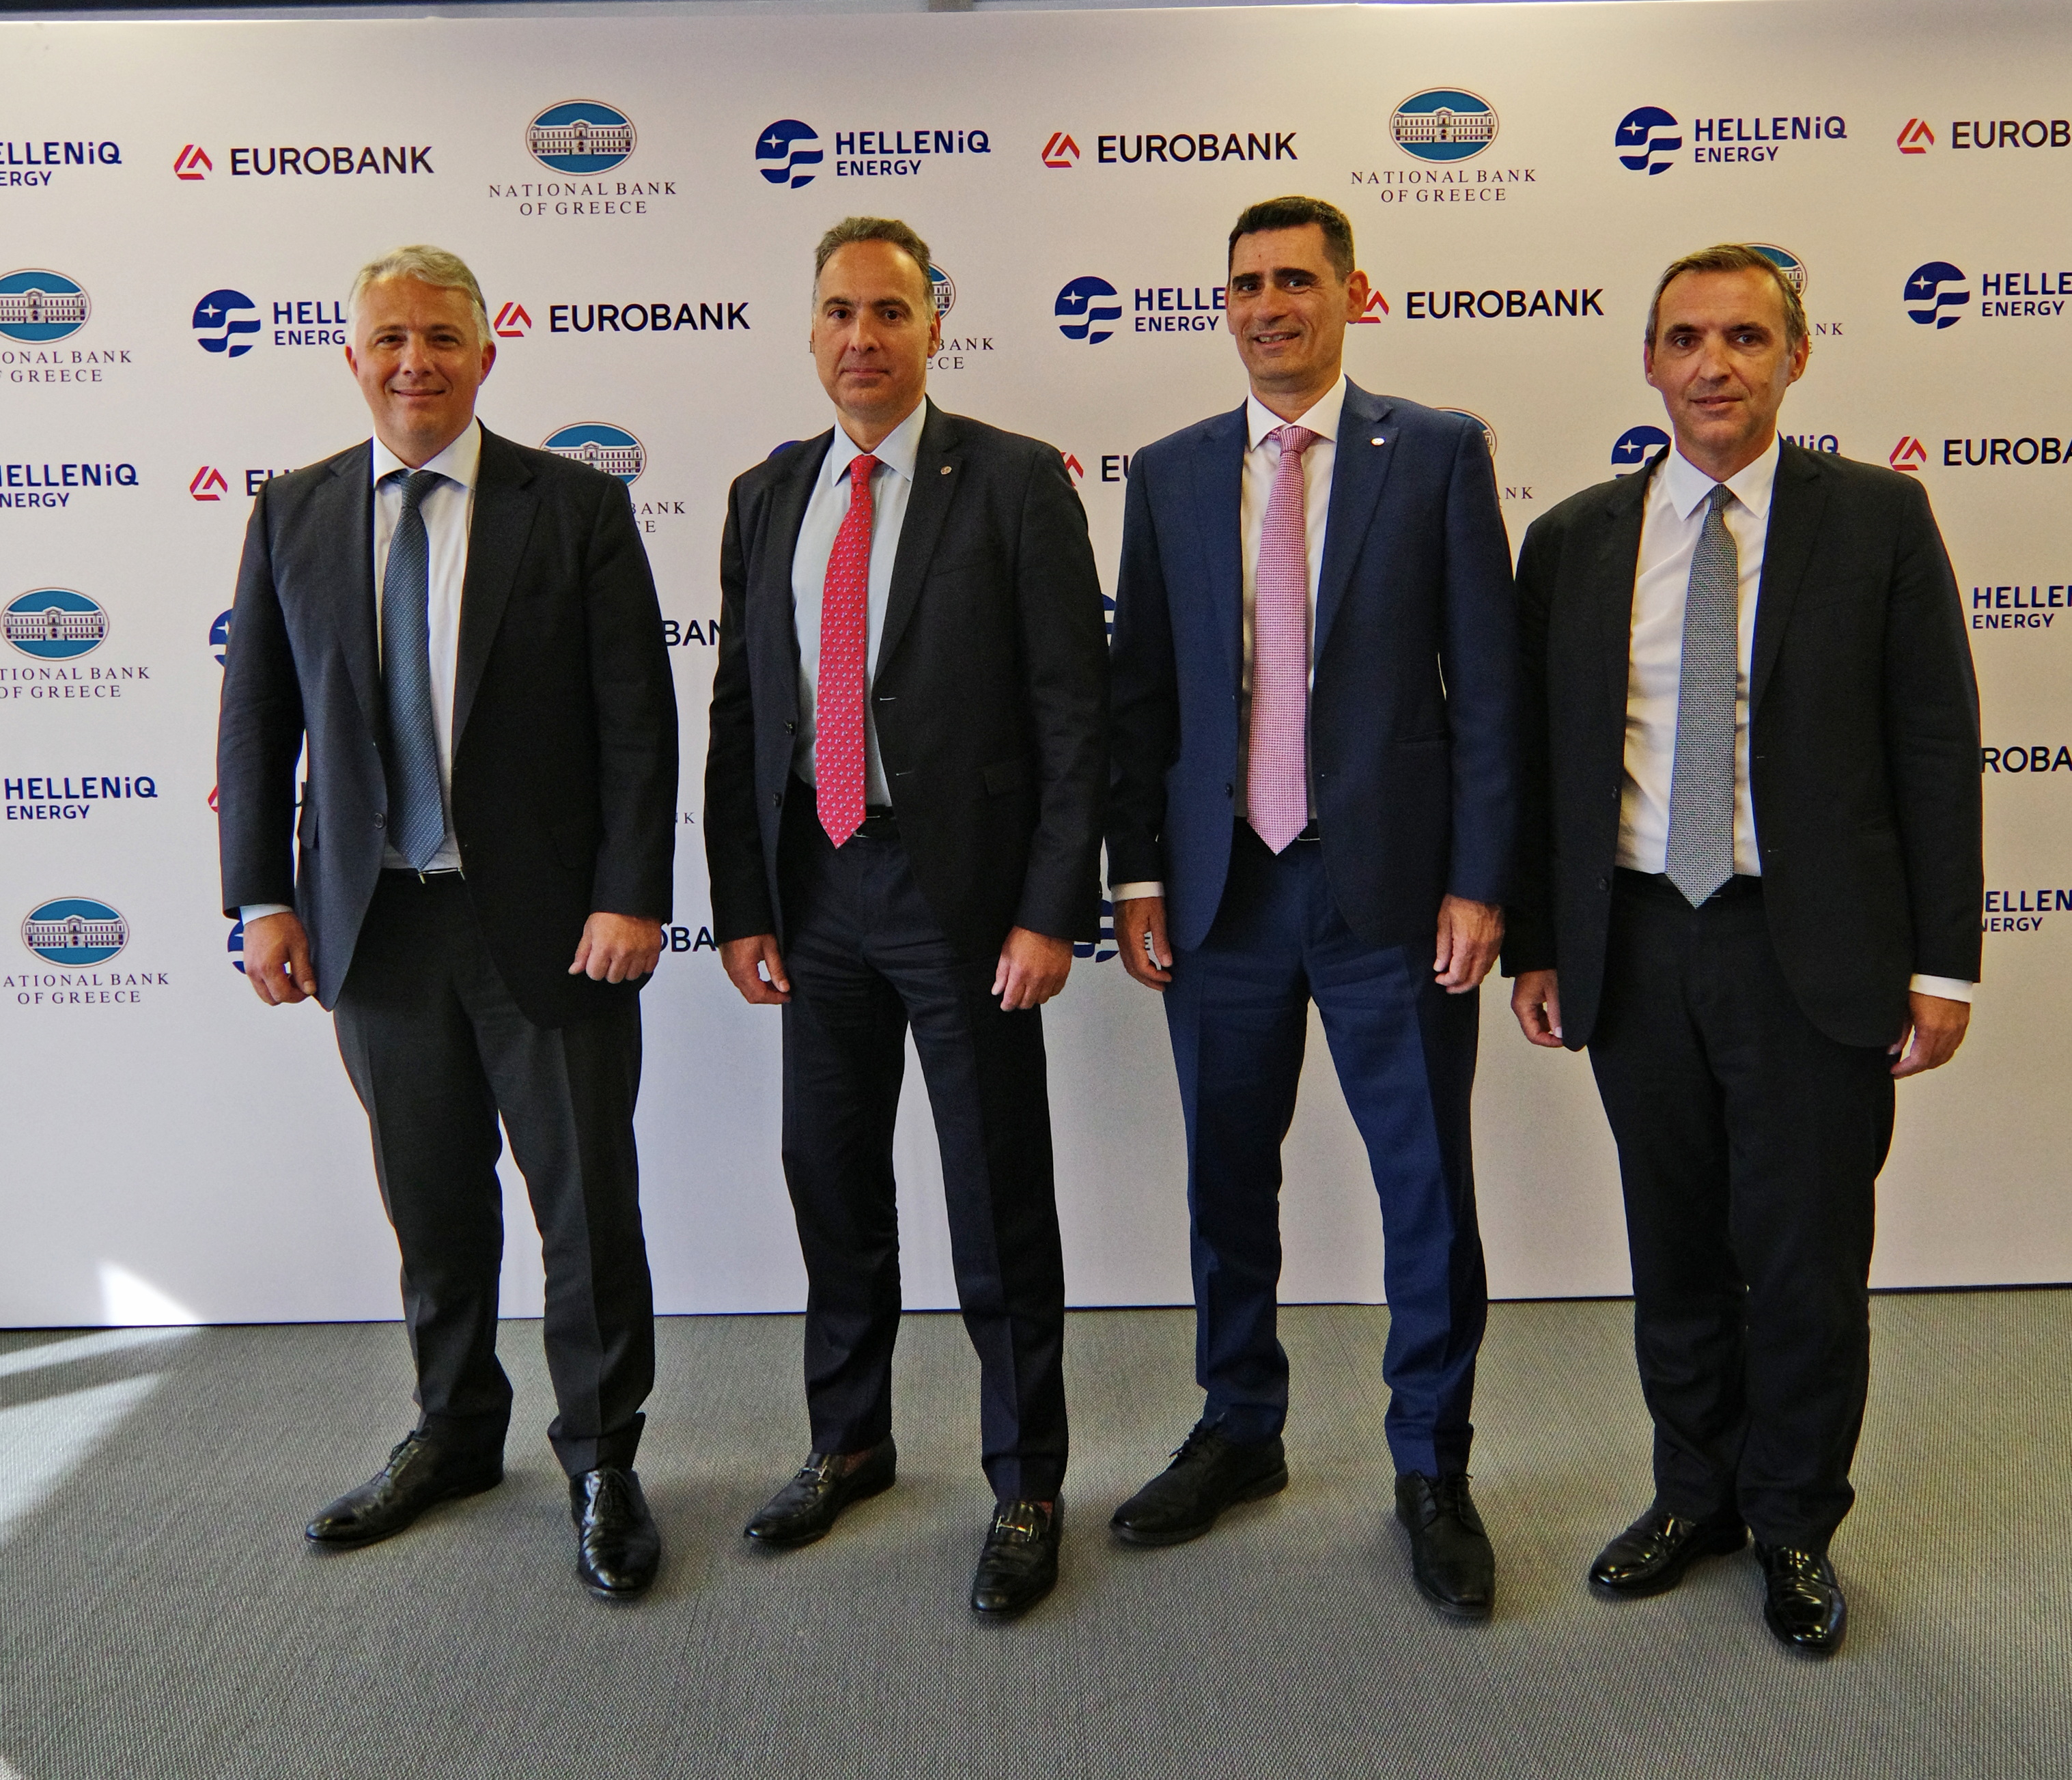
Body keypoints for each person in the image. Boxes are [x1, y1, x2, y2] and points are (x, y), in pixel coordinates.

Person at [1505, 244, 1981, 1656]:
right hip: (1637, 940)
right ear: (1648, 362)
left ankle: (1791, 1522)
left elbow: (1933, 745)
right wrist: (1538, 940)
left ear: (1796, 357)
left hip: (1810, 950)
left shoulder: (1877, 519)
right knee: (1673, 1247)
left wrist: (1942, 963)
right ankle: (1691, 1495)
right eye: (1685, 338)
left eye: (1744, 337)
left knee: (1805, 1259)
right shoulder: (1573, 539)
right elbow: (1538, 764)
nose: (1713, 364)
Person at [216, 244, 678, 1600]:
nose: (413, 361)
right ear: (352, 358)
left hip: (552, 924)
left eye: (439, 337)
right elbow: (257, 719)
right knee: (429, 1199)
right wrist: (263, 895)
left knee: (584, 1206)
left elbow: (635, 720)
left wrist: (632, 891)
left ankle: (602, 1459)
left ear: (486, 353)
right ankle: (456, 1429)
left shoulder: (575, 505)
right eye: (389, 338)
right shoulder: (293, 510)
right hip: (374, 925)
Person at [1106, 196, 1518, 1620]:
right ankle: (1239, 1426)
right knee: (1225, 1181)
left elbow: (1487, 687)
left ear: (1351, 292)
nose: (1268, 304)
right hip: (1220, 892)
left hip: (1386, 895)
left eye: (1294, 279)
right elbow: (1140, 695)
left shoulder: (1437, 452)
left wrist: (1478, 878)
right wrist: (1137, 872)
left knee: (1425, 1190)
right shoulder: (1169, 472)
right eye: (1244, 284)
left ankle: (1430, 1465)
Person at [704, 216, 1107, 1620]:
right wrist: (741, 902)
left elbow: (1073, 712)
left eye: (889, 310)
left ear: (935, 324)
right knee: (829, 1176)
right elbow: (742, 710)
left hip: (965, 902)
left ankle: (1027, 1480)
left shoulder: (1012, 481)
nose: (862, 337)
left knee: (995, 1192)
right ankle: (849, 1441)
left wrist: (1050, 908)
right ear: (809, 329)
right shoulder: (766, 495)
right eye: (838, 311)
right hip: (815, 887)